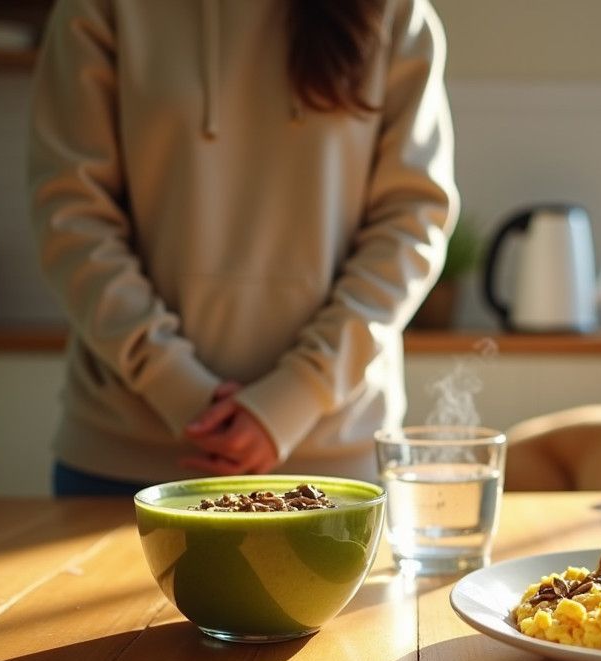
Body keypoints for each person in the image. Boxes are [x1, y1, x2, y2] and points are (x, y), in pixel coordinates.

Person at [28, 0, 457, 496]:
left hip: (333, 461)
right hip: (126, 457)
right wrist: (176, 385)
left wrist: (297, 395)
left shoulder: (396, 12)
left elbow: (410, 222)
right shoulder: (99, 8)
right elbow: (72, 215)